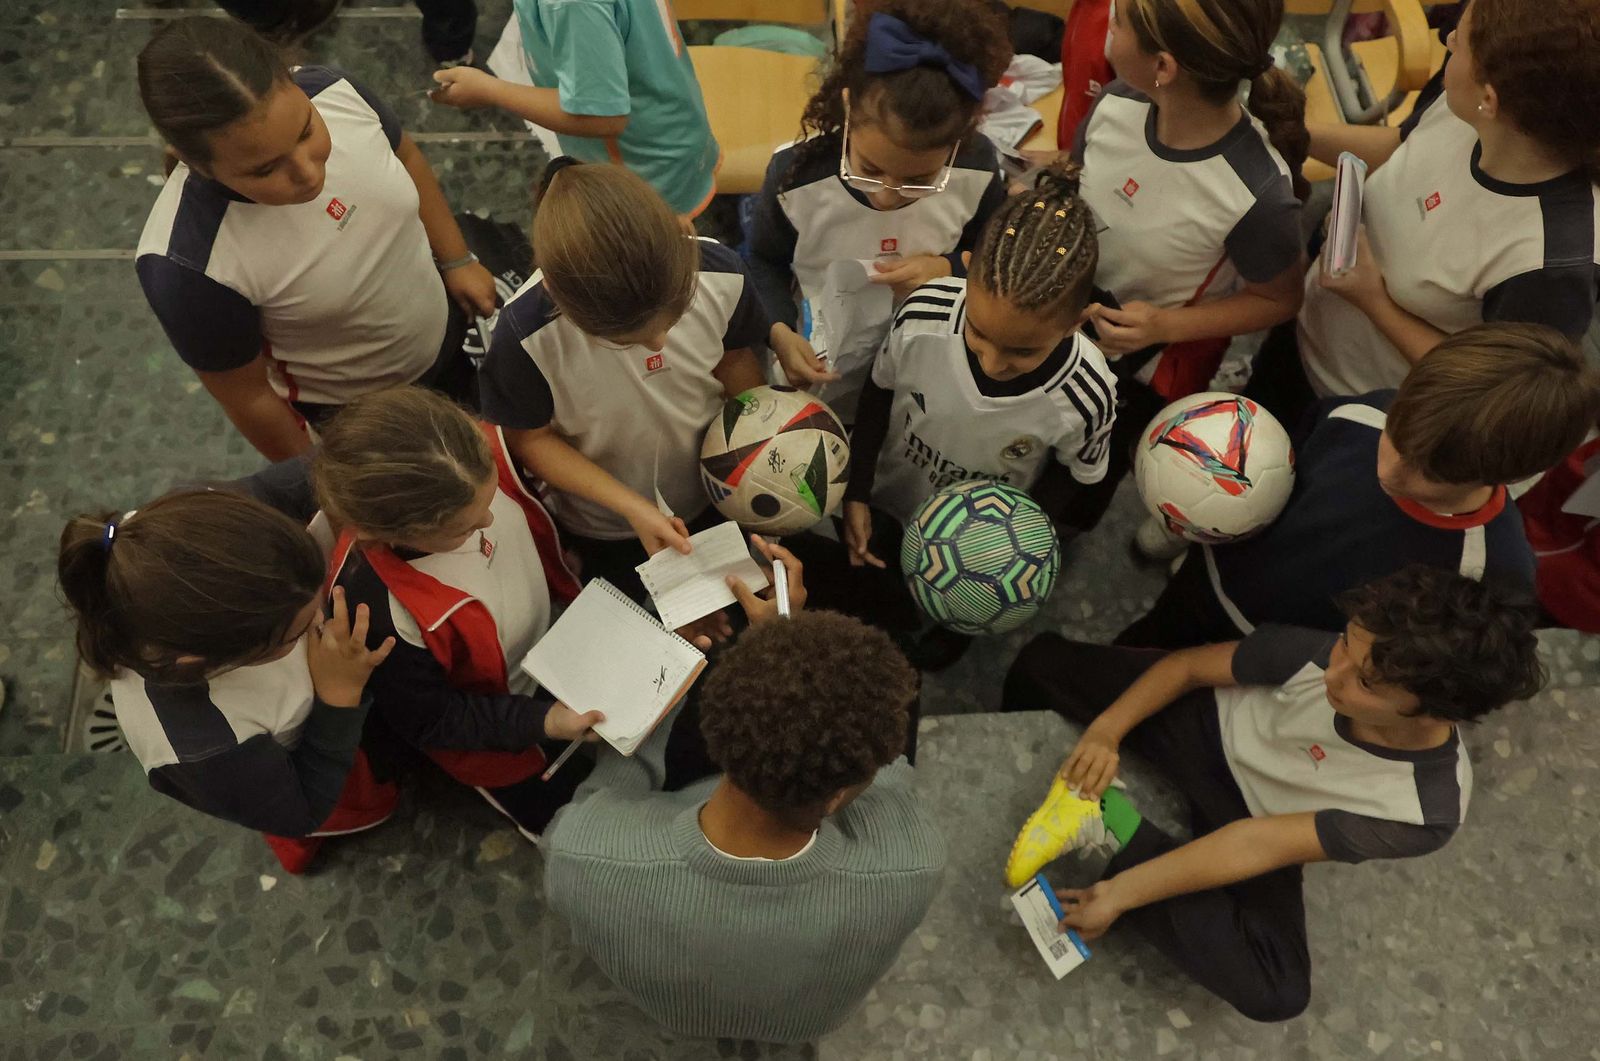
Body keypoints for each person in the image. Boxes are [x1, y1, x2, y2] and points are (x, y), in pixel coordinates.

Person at [1002, 564, 1546, 1021]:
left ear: (1436, 712)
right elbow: (1188, 669)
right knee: (1039, 665)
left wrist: (1120, 893)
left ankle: (1109, 823)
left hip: (1262, 818)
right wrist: (1106, 731)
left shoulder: (1424, 812)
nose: (1332, 673)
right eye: (1344, 644)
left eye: (1364, 683)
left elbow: (1255, 843)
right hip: (1202, 724)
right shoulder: (1330, 654)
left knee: (1276, 988)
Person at [542, 568, 946, 1043]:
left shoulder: (582, 853)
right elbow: (892, 768)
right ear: (837, 795)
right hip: (806, 1024)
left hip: (675, 1013)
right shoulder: (913, 863)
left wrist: (674, 675)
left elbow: (609, 791)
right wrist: (787, 645)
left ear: (719, 731)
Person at [135, 18, 500, 461]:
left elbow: (405, 157)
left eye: (306, 131)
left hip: (447, 328)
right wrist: (315, 479)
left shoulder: (336, 90)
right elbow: (249, 398)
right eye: (266, 169)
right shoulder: (189, 264)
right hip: (368, 415)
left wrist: (457, 259)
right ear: (198, 164)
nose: (308, 173)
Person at [1117, 322, 1600, 650]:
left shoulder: (1489, 570)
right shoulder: (1366, 412)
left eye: (1427, 474)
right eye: (1397, 436)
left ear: (1512, 476)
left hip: (1268, 651)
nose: (1391, 470)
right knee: (1143, 644)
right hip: (1207, 576)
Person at [811, 162, 1114, 668]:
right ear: (966, 272)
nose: (992, 363)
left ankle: (958, 627)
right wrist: (858, 489)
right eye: (978, 333)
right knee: (880, 574)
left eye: (1022, 351)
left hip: (984, 551)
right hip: (892, 491)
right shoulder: (923, 313)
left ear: (1076, 323)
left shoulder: (1087, 392)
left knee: (967, 599)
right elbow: (878, 393)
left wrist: (1016, 548)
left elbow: (1077, 477)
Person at [1251, 0, 1600, 426]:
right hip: (1310, 328)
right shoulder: (1470, 108)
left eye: (1459, 42)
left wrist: (1373, 300)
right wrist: (1290, 132)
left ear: (1489, 98)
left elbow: (1495, 391)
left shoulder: (1550, 263)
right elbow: (1402, 148)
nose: (1447, 39)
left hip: (1361, 409)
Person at [316, 387, 606, 842]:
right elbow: (433, 720)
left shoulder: (472, 460)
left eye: (491, 499)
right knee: (574, 828)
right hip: (495, 733)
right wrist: (544, 722)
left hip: (547, 652)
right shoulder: (377, 615)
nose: (488, 523)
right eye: (463, 528)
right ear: (384, 533)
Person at [1068, 0, 1308, 549]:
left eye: (1119, 20)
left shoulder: (1256, 194)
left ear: (1164, 66)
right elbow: (1078, 179)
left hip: (1138, 368)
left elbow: (1279, 300)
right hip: (1063, 323)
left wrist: (1162, 326)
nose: (1108, 23)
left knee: (1082, 479)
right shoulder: (1115, 101)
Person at [56, 490, 397, 874]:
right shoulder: (205, 752)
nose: (321, 619)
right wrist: (338, 695)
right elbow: (301, 811)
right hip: (308, 770)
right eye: (296, 633)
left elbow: (293, 484)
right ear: (204, 661)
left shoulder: (178, 538)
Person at [480, 160, 768, 600]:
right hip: (604, 521)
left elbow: (733, 358)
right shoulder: (523, 336)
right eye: (625, 341)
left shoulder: (720, 271)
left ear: (682, 231)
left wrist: (762, 443)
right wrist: (632, 506)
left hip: (716, 488)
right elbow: (530, 439)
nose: (658, 344)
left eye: (674, 319)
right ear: (559, 298)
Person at [748, 0, 1012, 420]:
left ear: (959, 140)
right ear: (849, 108)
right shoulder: (796, 179)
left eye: (918, 180)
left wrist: (947, 267)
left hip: (927, 370)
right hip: (822, 364)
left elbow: (993, 255)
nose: (887, 197)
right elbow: (764, 261)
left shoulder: (977, 170)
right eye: (869, 170)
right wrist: (778, 331)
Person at [429, 0, 718, 219]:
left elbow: (602, 117)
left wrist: (489, 90)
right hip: (671, 132)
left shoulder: (570, 5)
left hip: (642, 174)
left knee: (640, 267)